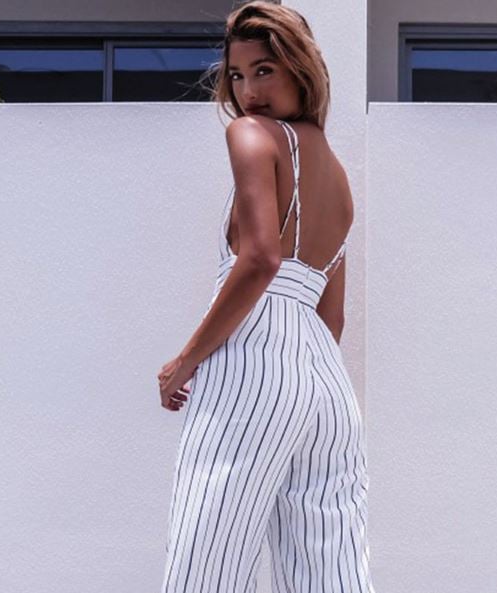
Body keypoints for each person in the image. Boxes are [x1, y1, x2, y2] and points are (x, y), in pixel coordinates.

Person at [156, 2, 376, 592]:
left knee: (206, 562)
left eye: (264, 70)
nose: (247, 91)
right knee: (329, 570)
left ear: (300, 69)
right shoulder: (339, 177)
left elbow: (259, 259)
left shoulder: (251, 134)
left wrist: (185, 362)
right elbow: (332, 318)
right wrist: (296, 380)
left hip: (255, 356)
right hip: (324, 379)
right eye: (236, 74)